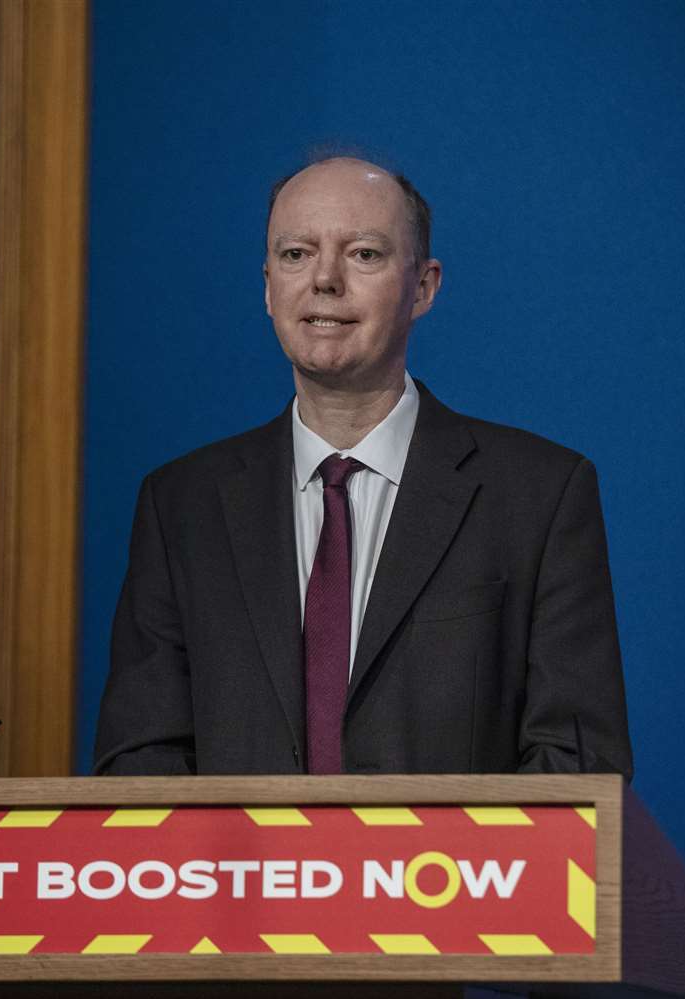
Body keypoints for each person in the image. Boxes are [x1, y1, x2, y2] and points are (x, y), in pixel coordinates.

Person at [94, 156, 631, 784]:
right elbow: (139, 766)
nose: (324, 279)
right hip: (243, 881)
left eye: (364, 254)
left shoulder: (540, 497)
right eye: (296, 254)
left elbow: (577, 767)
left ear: (424, 287)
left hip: (447, 882)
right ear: (268, 287)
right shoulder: (180, 506)